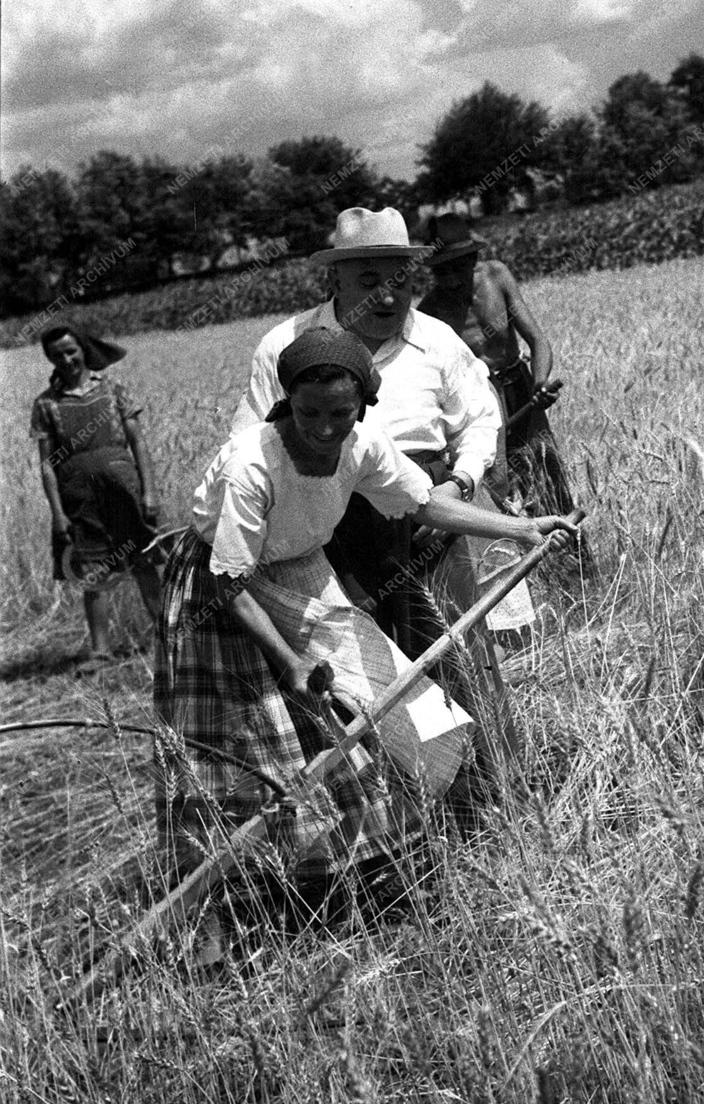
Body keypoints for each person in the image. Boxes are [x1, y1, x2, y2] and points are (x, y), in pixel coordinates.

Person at [156, 328, 574, 910]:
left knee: (396, 699)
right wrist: (292, 660)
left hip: (300, 564)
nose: (324, 428)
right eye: (309, 413)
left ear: (362, 407)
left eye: (340, 413)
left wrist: (523, 528)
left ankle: (364, 863)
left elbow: (422, 501)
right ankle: (237, 894)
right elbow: (230, 581)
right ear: (286, 403)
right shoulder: (251, 463)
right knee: (249, 732)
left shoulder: (363, 444)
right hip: (220, 583)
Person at [231, 207, 511, 657]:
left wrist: (460, 484)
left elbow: (479, 419)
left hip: (432, 521)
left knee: (459, 657)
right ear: (336, 280)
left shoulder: (437, 340)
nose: (387, 297)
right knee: (364, 672)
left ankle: (476, 728)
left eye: (400, 280)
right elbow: (246, 450)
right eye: (367, 282)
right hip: (330, 538)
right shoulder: (284, 346)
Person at [418, 212, 593, 574]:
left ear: (472, 260)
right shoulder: (429, 312)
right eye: (441, 271)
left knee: (546, 472)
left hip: (519, 386)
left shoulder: (496, 277)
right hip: (479, 402)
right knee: (497, 486)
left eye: (457, 267)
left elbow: (537, 339)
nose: (450, 278)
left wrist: (541, 381)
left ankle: (576, 569)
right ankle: (518, 574)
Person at [30, 325, 164, 664]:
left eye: (71, 350)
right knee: (93, 571)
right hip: (79, 498)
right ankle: (101, 653)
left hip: (124, 490)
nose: (66, 359)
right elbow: (47, 465)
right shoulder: (46, 404)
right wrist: (58, 513)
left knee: (144, 563)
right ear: (49, 359)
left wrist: (149, 491)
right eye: (57, 355)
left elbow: (138, 443)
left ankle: (171, 640)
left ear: (83, 350)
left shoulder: (114, 390)